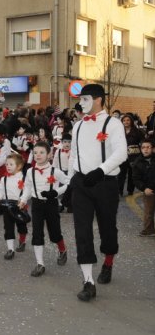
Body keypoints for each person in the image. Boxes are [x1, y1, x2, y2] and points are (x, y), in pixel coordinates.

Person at [69, 84, 127, 302]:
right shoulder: (77, 126)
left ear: (98, 100)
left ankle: (108, 262)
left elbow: (121, 153)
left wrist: (100, 170)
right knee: (81, 231)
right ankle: (88, 281)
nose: (80, 103)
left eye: (85, 99)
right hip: (81, 184)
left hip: (105, 183)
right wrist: (68, 183)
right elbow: (73, 156)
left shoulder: (113, 124)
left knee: (108, 228)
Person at [19, 141, 68, 277]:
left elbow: (68, 183)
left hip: (51, 204)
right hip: (37, 205)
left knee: (55, 232)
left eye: (41, 152)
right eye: (35, 153)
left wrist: (56, 192)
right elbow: (27, 187)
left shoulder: (55, 171)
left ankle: (62, 250)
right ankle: (40, 264)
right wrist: (23, 200)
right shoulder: (30, 171)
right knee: (37, 233)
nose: (38, 155)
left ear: (49, 155)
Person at [0, 154, 28, 260]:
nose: (8, 166)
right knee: (8, 228)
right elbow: (0, 189)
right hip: (6, 206)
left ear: (19, 166)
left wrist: (23, 200)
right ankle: (10, 249)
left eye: (11, 164)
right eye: (6, 164)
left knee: (21, 226)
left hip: (19, 206)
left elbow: (28, 191)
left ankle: (22, 241)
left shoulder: (24, 178)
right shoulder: (3, 178)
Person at [132, 139, 155, 236]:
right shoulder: (137, 162)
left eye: (148, 147)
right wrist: (144, 189)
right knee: (148, 211)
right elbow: (136, 179)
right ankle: (149, 230)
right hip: (148, 191)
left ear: (153, 149)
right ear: (141, 149)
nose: (146, 149)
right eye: (143, 147)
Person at [118, 114, 144, 196]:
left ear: (131, 121)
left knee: (132, 174)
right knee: (121, 174)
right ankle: (119, 191)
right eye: (124, 120)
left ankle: (130, 190)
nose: (126, 122)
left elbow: (142, 143)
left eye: (128, 120)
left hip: (134, 156)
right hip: (122, 156)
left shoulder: (137, 132)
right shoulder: (119, 131)